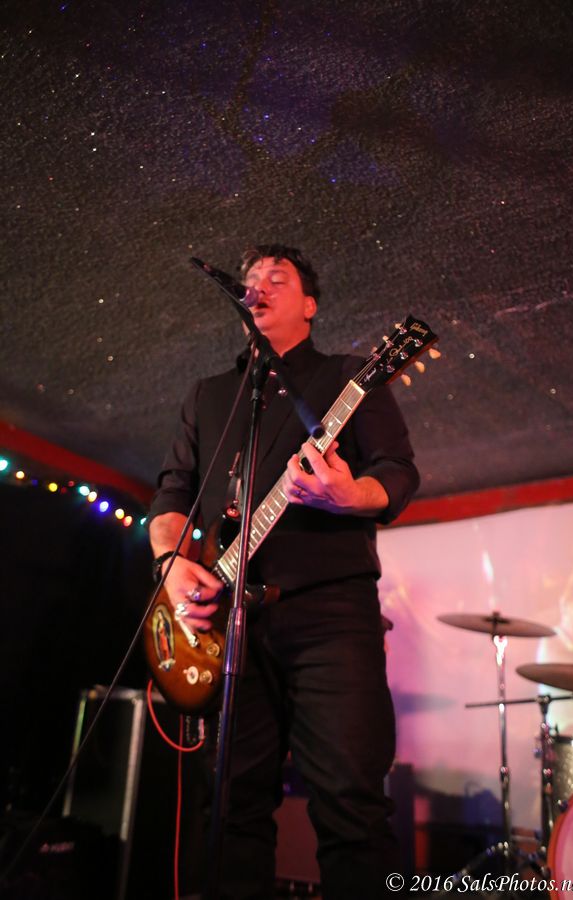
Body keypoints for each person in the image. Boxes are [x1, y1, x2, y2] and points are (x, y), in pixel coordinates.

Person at [147, 244, 420, 900]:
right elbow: (172, 494)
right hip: (232, 623)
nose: (258, 287)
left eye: (278, 277)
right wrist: (169, 563)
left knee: (350, 806)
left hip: (331, 615)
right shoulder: (209, 395)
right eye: (251, 280)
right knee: (231, 807)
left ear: (310, 305)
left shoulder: (351, 377)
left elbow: (398, 471)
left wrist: (347, 495)